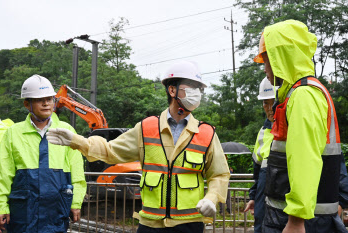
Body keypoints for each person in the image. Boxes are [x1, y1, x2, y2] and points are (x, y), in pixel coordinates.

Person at [46, 60, 231, 233]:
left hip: (190, 225)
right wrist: (77, 141)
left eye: (199, 88)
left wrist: (212, 197)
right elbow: (110, 151)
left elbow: (219, 173)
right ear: (172, 90)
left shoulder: (206, 134)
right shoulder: (146, 128)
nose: (196, 92)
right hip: (150, 225)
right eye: (191, 87)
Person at [254, 19, 347, 232]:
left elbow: (304, 158)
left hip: (300, 222)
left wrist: (296, 219)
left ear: (281, 58)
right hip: (293, 218)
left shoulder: (303, 95)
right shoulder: (296, 93)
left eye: (267, 60)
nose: (265, 68)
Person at [0, 75, 87, 233]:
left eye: (49, 99)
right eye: (40, 100)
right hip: (23, 213)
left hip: (55, 212)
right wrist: (1, 206)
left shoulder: (66, 131)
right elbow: (3, 173)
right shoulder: (13, 133)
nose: (46, 103)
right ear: (27, 104)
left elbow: (77, 171)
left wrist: (76, 202)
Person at [244, 77, 277, 233]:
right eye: (265, 103)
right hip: (263, 210)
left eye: (273, 102)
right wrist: (253, 197)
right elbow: (258, 172)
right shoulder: (263, 132)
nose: (269, 108)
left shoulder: (295, 129)